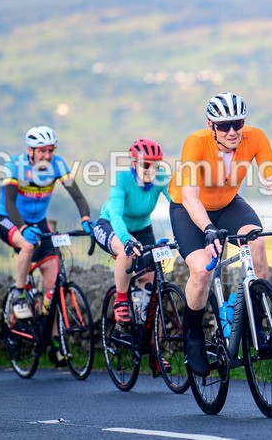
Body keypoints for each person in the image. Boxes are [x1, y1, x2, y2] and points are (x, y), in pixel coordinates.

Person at [168, 92, 272, 376]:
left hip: (229, 204)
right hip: (189, 209)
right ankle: (192, 335)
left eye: (238, 123)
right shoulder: (196, 143)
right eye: (224, 125)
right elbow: (190, 196)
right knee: (202, 271)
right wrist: (207, 228)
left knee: (257, 243)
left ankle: (256, 324)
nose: (232, 131)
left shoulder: (255, 138)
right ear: (211, 125)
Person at [0, 125, 93, 366]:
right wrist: (23, 228)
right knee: (28, 247)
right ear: (30, 150)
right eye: (42, 151)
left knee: (54, 287)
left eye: (51, 150)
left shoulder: (58, 165)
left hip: (39, 222)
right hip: (10, 220)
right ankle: (19, 295)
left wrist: (85, 218)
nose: (47, 156)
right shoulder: (15, 165)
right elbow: (9, 204)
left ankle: (57, 344)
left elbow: (77, 196)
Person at [93, 138, 172, 376]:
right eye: (146, 164)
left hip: (143, 229)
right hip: (111, 225)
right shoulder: (122, 179)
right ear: (133, 162)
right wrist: (126, 241)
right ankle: (120, 301)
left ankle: (155, 351)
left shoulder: (160, 178)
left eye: (156, 165)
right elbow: (116, 215)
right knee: (124, 253)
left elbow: (177, 204)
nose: (151, 170)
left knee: (155, 290)